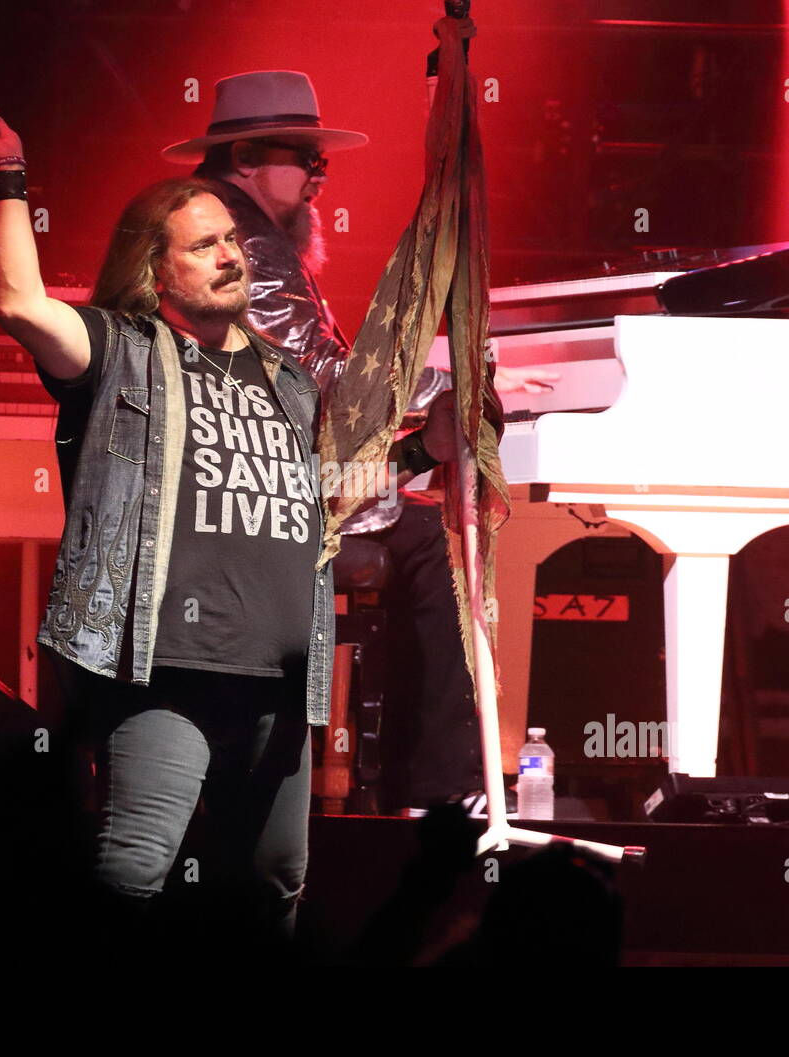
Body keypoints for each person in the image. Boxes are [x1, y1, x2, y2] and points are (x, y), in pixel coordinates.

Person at [0, 104, 459, 952]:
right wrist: (9, 176)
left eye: (233, 240)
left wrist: (421, 456)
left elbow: (324, 498)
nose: (233, 256)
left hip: (279, 683)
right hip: (166, 674)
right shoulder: (121, 350)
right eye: (204, 245)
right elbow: (18, 302)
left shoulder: (287, 380)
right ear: (153, 270)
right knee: (132, 872)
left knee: (275, 887)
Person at [162, 68, 558, 816]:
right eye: (306, 158)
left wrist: (420, 425)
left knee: (412, 512)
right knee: (434, 544)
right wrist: (447, 386)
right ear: (247, 155)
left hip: (255, 480)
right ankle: (440, 788)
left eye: (322, 161)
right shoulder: (242, 239)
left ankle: (423, 785)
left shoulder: (214, 222)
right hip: (258, 503)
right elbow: (324, 378)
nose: (319, 176)